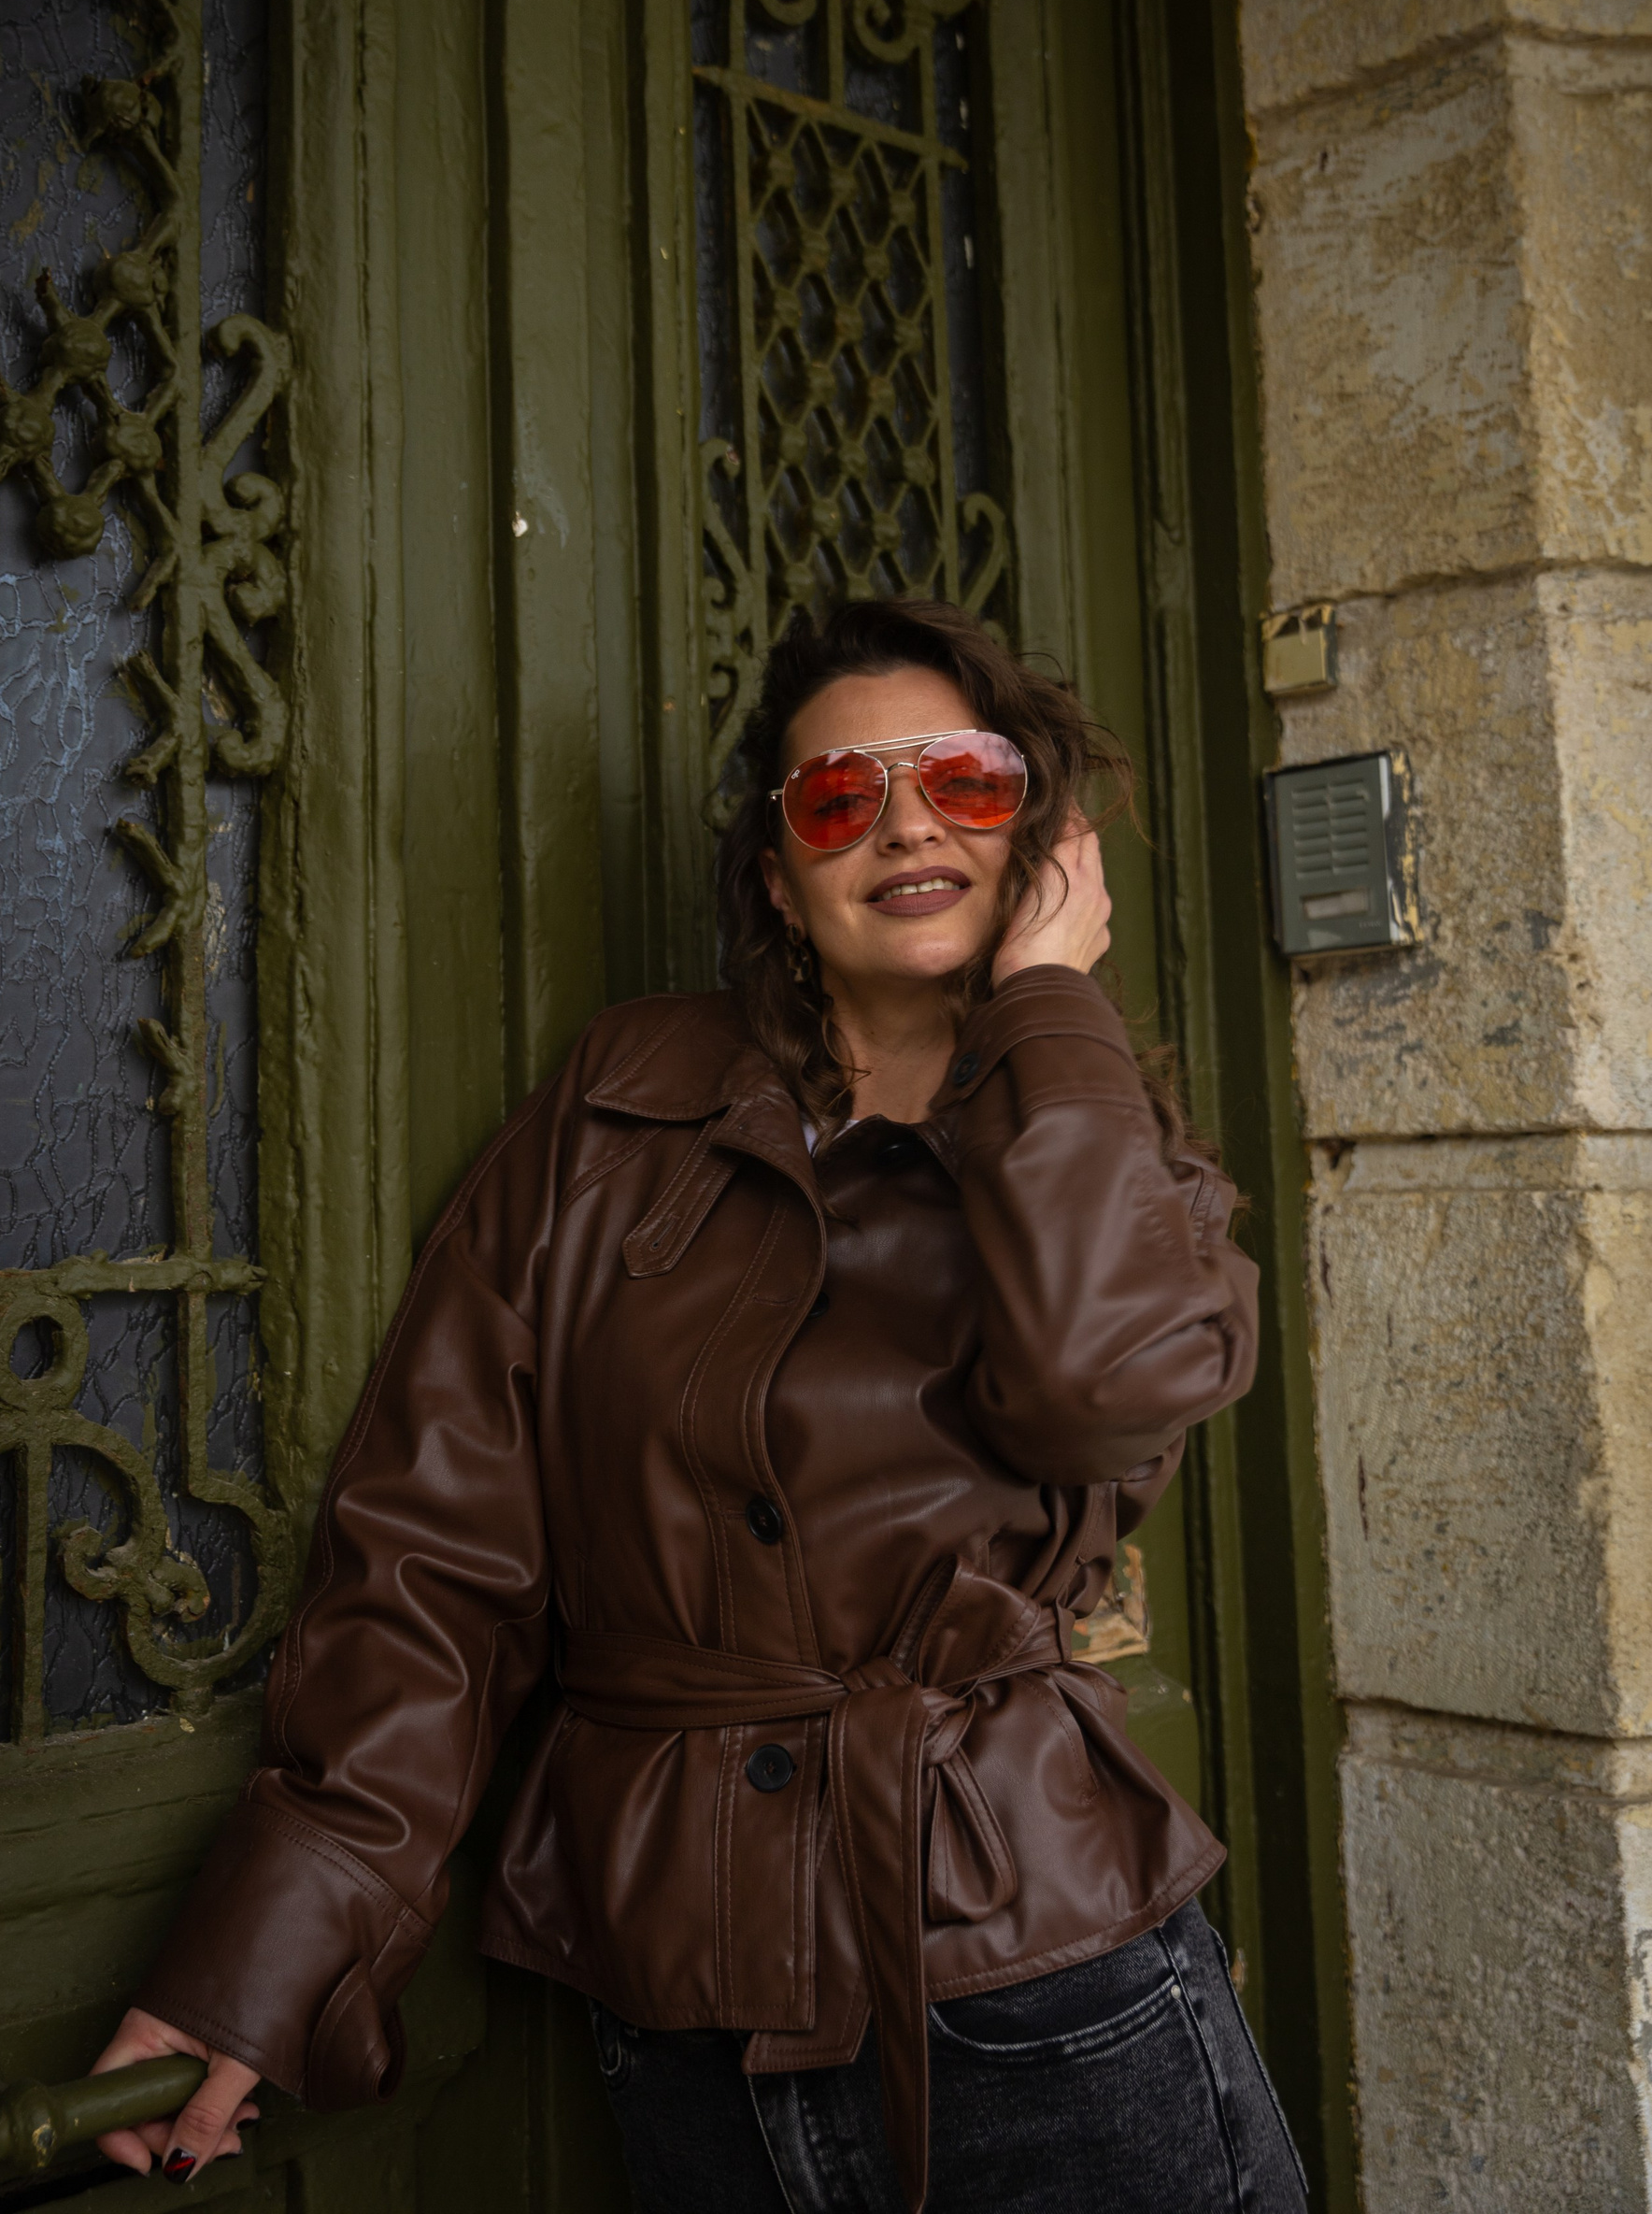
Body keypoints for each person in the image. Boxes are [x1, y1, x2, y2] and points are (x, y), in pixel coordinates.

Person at [89, 599, 1304, 2212]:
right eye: (840, 797)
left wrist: (1047, 1005)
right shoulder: (619, 1111)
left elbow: (1097, 1391)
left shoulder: (1126, 1170)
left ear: (1041, 844)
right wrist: (267, 1958)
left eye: (965, 780)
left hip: (1041, 1995)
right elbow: (435, 1561)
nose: (907, 824)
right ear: (781, 880)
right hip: (680, 2022)